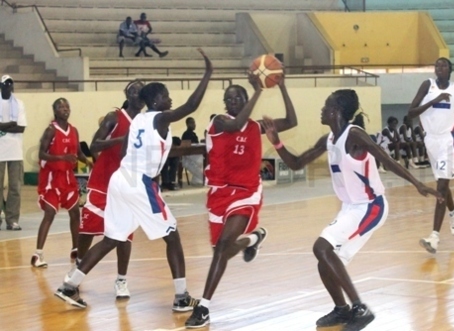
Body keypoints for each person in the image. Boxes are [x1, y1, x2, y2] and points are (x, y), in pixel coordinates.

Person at [259, 89, 441, 331]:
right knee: (325, 260)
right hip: (350, 208)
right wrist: (276, 141)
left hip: (370, 207)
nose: (321, 110)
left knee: (321, 248)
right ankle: (342, 309)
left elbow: (386, 159)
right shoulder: (329, 140)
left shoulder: (354, 135)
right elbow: (296, 164)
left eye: (325, 106)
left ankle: (359, 308)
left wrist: (417, 183)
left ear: (335, 111)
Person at [55, 49, 213, 310]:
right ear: (156, 100)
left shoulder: (138, 119)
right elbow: (192, 106)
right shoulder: (159, 118)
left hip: (120, 178)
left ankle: (69, 285)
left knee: (111, 239)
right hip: (140, 182)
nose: (171, 100)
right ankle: (182, 297)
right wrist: (207, 74)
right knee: (172, 236)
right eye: (166, 96)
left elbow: (126, 149)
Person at [184, 75, 297, 328]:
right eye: (229, 99)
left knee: (223, 246)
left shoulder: (257, 127)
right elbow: (236, 124)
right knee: (220, 252)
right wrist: (258, 91)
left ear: (245, 100)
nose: (233, 102)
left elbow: (291, 121)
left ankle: (203, 308)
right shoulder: (219, 122)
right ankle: (254, 238)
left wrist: (282, 86)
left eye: (238, 98)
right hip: (219, 194)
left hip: (246, 192)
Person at [77, 80, 145, 298]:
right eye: (133, 90)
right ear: (127, 94)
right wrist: (120, 139)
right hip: (103, 181)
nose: (137, 93)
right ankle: (78, 267)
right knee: (88, 229)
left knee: (125, 236)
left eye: (141, 90)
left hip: (128, 184)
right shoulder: (114, 117)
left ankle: (121, 280)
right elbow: (94, 144)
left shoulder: (145, 122)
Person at [408, 57, 454, 254]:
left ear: (450, 69)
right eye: (436, 64)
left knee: (442, 186)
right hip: (431, 140)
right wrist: (434, 101)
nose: (439, 67)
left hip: (448, 140)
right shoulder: (427, 86)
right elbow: (411, 112)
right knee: (442, 184)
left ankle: (434, 237)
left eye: (443, 64)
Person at [32, 98, 93, 268]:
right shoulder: (50, 130)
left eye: (67, 106)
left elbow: (79, 153)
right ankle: (38, 254)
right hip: (52, 177)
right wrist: (61, 158)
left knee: (75, 213)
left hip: (68, 177)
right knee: (49, 214)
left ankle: (76, 249)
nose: (65, 109)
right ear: (55, 111)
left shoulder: (73, 130)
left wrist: (91, 163)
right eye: (61, 106)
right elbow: (42, 154)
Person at [0, 75, 26, 231]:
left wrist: (2, 126)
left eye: (10, 84)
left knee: (15, 187)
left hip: (15, 152)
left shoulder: (19, 104)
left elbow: (21, 127)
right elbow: (15, 125)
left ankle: (12, 219)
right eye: (5, 84)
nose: (8, 86)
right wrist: (11, 124)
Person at [181, 117, 204, 186]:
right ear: (187, 124)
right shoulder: (186, 134)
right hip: (188, 156)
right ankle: (203, 178)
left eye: (194, 123)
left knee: (200, 160)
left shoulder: (193, 134)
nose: (194, 124)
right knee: (200, 160)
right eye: (192, 123)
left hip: (194, 154)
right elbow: (186, 147)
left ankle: (196, 180)